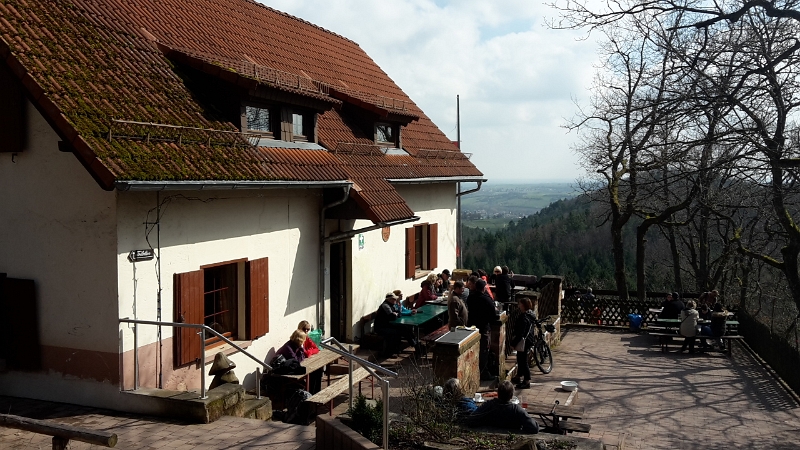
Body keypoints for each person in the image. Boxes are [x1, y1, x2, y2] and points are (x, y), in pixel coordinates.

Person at [464, 380, 539, 434]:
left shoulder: (489, 405)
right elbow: (534, 427)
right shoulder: (516, 410)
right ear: (511, 396)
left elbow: (471, 419)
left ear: (498, 394)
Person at [467, 278, 496, 380]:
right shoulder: (487, 300)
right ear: (484, 288)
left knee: (472, 350)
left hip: (472, 327)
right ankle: (484, 374)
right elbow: (493, 315)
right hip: (483, 328)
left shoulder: (470, 297)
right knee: (484, 352)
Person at [510, 297, 536, 389]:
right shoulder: (530, 315)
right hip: (528, 340)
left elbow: (521, 333)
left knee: (523, 361)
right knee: (520, 359)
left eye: (520, 304)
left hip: (524, 341)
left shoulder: (524, 317)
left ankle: (527, 380)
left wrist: (513, 343)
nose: (518, 305)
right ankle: (518, 376)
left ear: (523, 305)